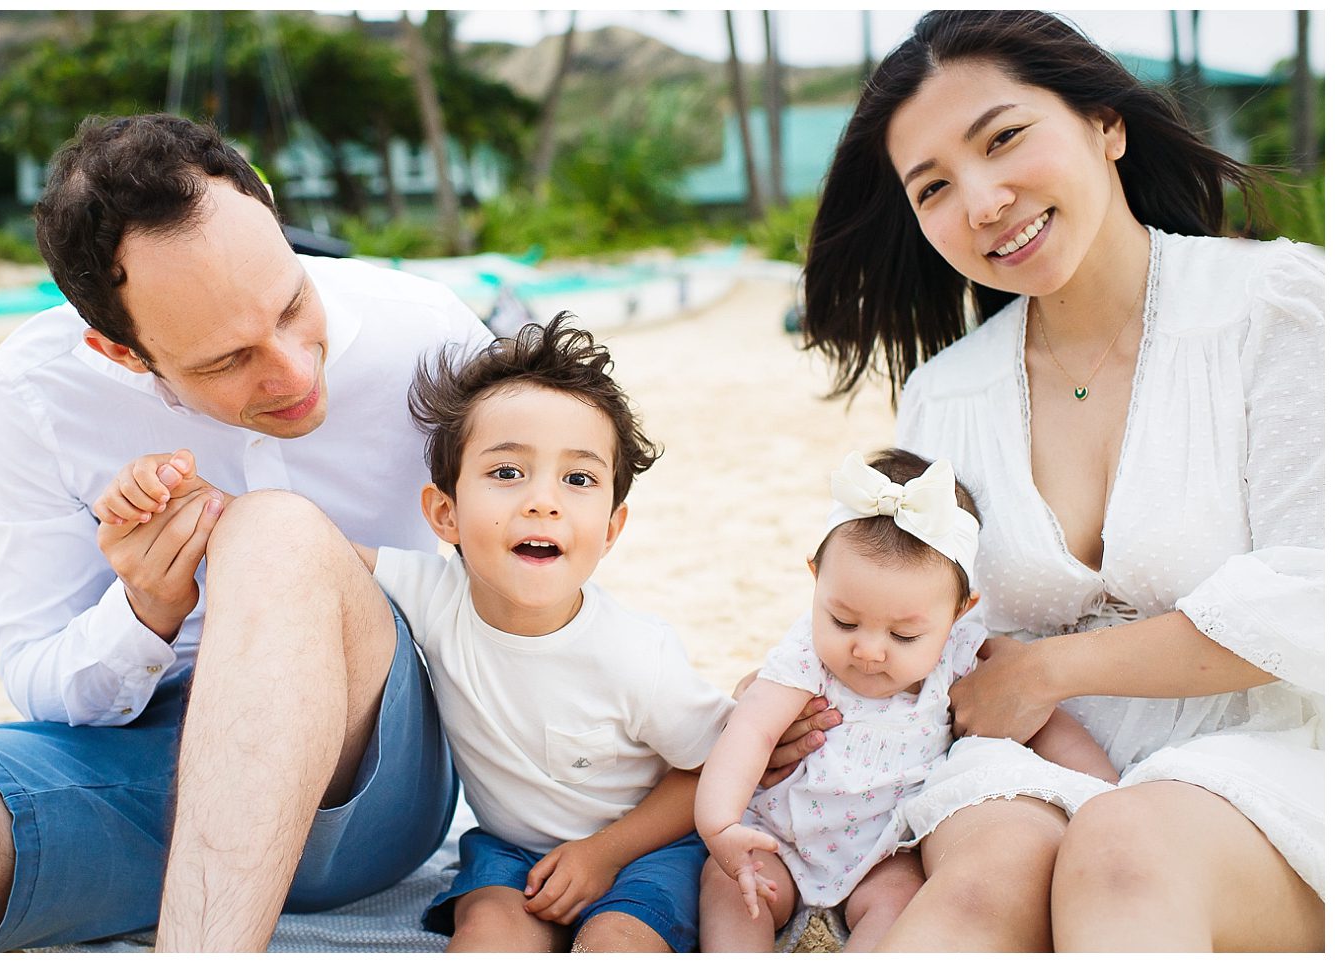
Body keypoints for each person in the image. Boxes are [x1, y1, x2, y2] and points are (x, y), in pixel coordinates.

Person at [0, 113, 495, 951]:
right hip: (147, 775)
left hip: (369, 784)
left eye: (294, 302)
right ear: (121, 353)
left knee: (273, 535)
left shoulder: (430, 333)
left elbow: (551, 585)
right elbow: (39, 680)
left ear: (266, 204)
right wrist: (146, 609)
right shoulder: (34, 395)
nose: (295, 371)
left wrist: (315, 562)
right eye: (226, 360)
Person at [798, 10, 1323, 952]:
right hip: (1019, 760)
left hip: (1268, 749)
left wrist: (1052, 667)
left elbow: (1312, 594)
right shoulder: (943, 396)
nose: (985, 200)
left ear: (1105, 125)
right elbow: (916, 610)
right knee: (977, 888)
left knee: (1128, 845)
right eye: (935, 188)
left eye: (1004, 138)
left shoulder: (1277, 307)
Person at [362, 314, 732, 952]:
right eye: (507, 473)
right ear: (444, 513)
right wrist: (206, 507)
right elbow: (313, 549)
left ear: (611, 530)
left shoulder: (634, 655)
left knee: (616, 941)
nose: (542, 501)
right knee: (485, 936)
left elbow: (710, 768)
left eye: (578, 479)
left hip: (648, 848)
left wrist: (604, 853)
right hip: (513, 853)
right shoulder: (433, 594)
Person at [695, 449, 1116, 952]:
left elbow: (1044, 719)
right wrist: (720, 824)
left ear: (960, 613)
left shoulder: (960, 658)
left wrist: (1107, 792)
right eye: (844, 622)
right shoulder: (806, 655)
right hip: (781, 836)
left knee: (900, 899)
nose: (869, 650)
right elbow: (752, 730)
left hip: (883, 850)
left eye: (905, 635)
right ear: (815, 578)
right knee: (731, 886)